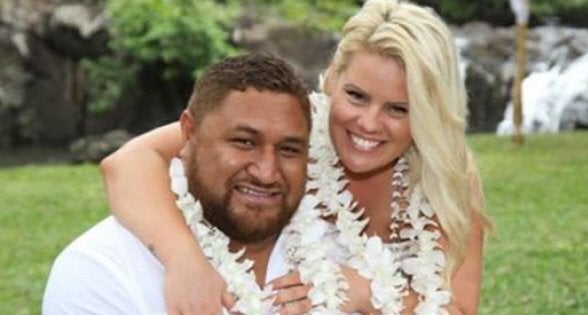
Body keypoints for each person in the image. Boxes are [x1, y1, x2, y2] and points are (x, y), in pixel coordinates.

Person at [100, 0, 492, 314]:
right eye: (356, 96)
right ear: (333, 77)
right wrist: (183, 260)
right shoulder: (286, 126)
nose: (369, 124)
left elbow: (456, 308)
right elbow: (129, 161)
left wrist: (368, 293)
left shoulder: (447, 179)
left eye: (398, 109)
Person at [42, 53, 319, 314]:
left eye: (289, 149)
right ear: (188, 132)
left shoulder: (336, 248)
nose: (267, 173)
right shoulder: (101, 268)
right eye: (244, 142)